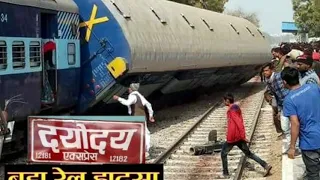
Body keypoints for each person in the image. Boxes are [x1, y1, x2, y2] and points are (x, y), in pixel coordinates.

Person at [220, 93, 272, 178]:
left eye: (224, 100)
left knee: (223, 154)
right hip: (239, 138)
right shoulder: (235, 107)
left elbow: (239, 123)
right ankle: (265, 165)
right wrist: (242, 136)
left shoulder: (231, 110)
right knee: (249, 154)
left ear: (227, 101)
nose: (223, 102)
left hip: (233, 138)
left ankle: (225, 173)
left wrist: (243, 137)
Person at [281, 67, 320, 179]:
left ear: (284, 82)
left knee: (313, 175)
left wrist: (292, 147)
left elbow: (295, 124)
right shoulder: (313, 87)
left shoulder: (289, 100)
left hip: (309, 142)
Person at [113, 83, 155, 158]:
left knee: (137, 134)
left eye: (129, 88)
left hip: (136, 117)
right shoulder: (139, 95)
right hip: (142, 117)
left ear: (131, 89)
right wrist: (151, 115)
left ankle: (141, 152)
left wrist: (118, 98)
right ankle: (145, 151)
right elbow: (149, 104)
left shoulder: (133, 96)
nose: (128, 89)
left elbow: (127, 103)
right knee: (145, 133)